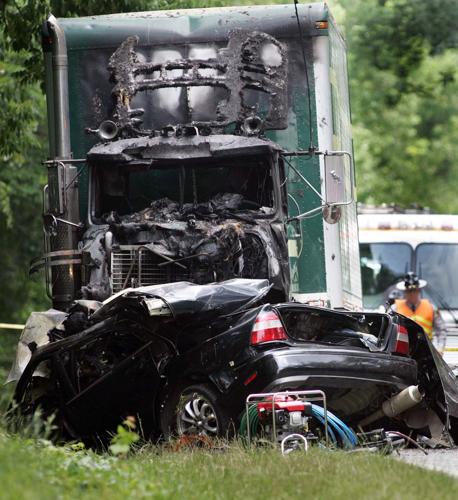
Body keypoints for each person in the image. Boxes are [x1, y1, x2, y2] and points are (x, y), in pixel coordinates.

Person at [392, 272, 446, 352]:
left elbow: (441, 330)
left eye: (414, 290)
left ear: (419, 290)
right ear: (405, 291)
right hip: (402, 351)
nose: (412, 293)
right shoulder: (394, 309)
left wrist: (440, 349)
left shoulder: (431, 308)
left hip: (427, 351)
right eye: (409, 291)